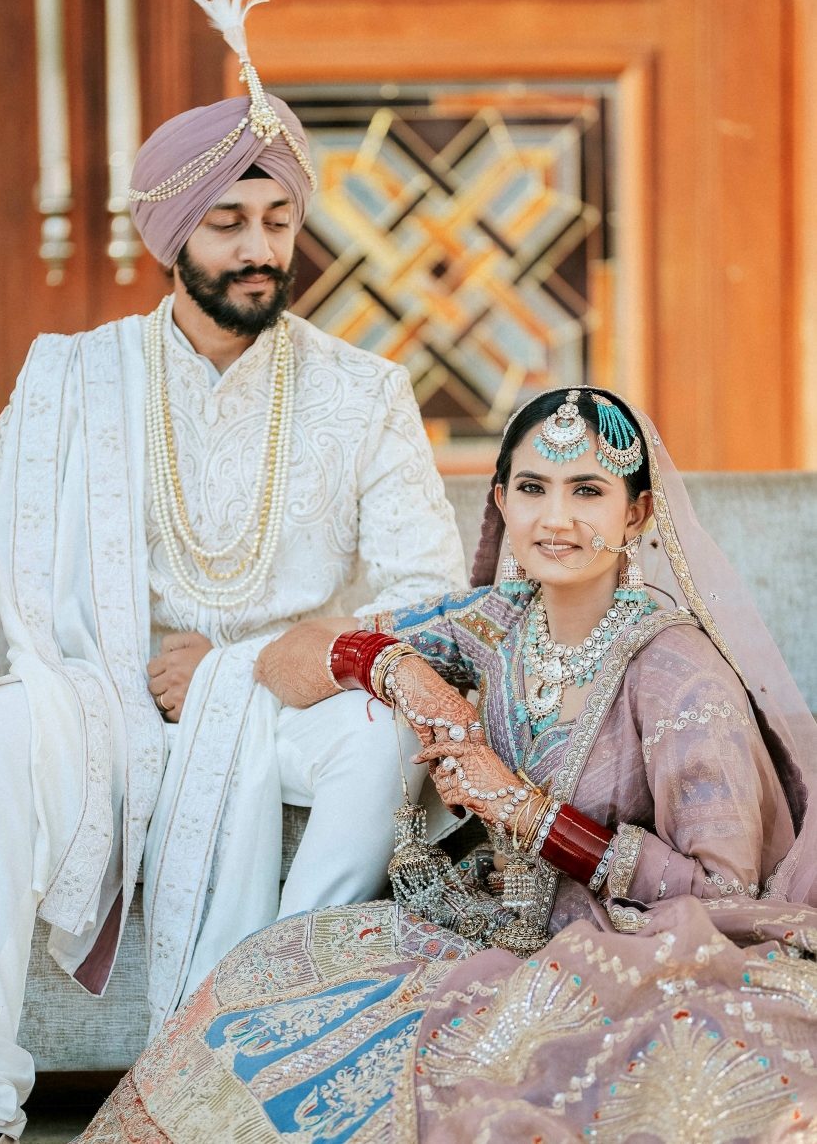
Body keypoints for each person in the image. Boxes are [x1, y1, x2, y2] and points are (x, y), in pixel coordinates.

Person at [0, 0, 465, 1142]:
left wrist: (251, 661)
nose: (262, 247)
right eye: (229, 221)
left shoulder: (367, 392)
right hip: (109, 704)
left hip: (275, 706)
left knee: (390, 726)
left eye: (277, 220)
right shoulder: (72, 373)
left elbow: (430, 594)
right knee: (0, 722)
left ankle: (256, 1032)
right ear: (171, 234)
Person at [75, 385, 817, 1143]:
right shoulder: (496, 623)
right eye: (532, 488)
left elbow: (727, 889)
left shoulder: (675, 672)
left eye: (587, 491)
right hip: (491, 925)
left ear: (635, 514)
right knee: (273, 968)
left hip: (629, 946)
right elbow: (290, 653)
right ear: (500, 500)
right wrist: (402, 673)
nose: (555, 518)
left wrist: (527, 813)